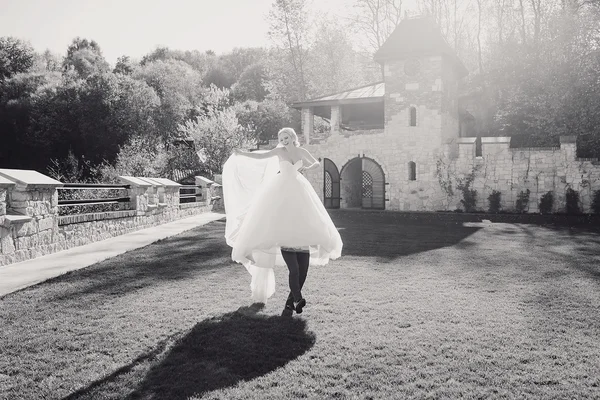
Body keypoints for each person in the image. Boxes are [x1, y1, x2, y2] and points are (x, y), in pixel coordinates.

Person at [222, 127, 343, 316]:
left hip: (299, 190)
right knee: (294, 269)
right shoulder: (279, 152)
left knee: (302, 270)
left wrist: (306, 168)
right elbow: (260, 157)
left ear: (293, 137)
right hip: (281, 191)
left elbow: (316, 164)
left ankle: (291, 302)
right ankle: (297, 298)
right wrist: (241, 153)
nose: (284, 140)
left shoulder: (302, 152)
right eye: (281, 138)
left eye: (286, 137)